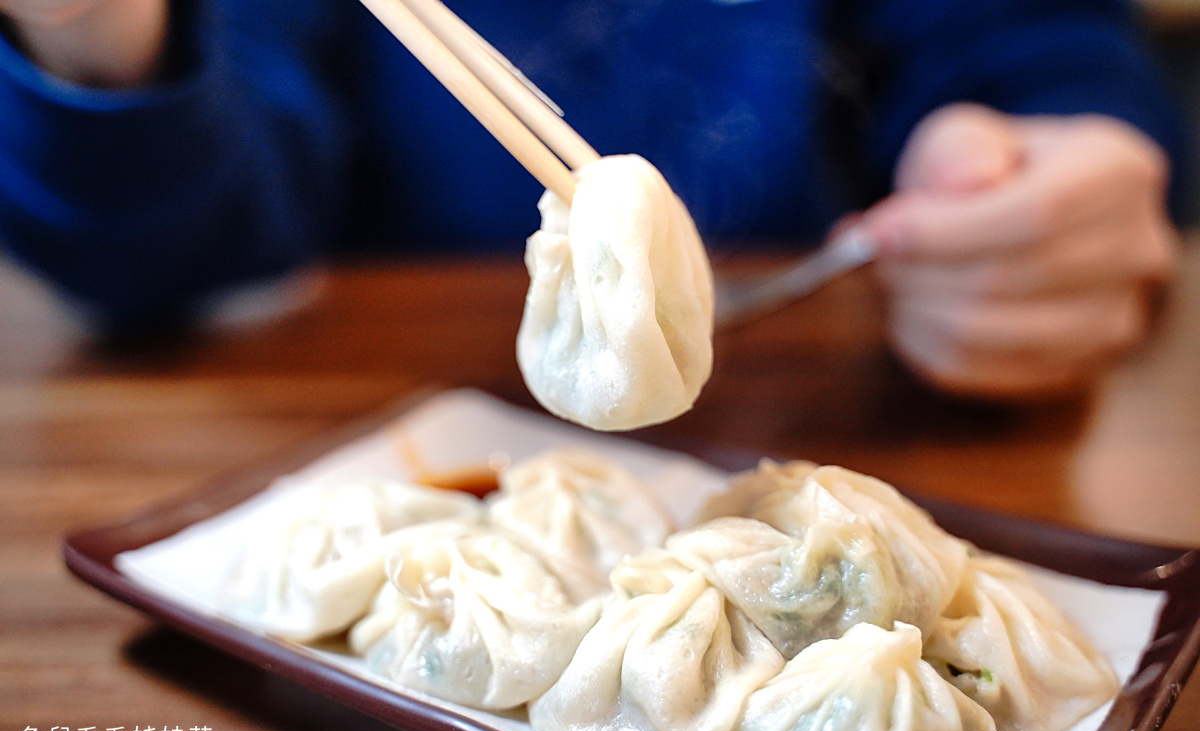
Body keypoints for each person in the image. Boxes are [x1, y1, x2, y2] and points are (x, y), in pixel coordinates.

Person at [0, 0, 1185, 397]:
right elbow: (172, 249)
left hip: (874, 411)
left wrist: (1055, 179)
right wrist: (101, 42)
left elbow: (1032, 46)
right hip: (373, 434)